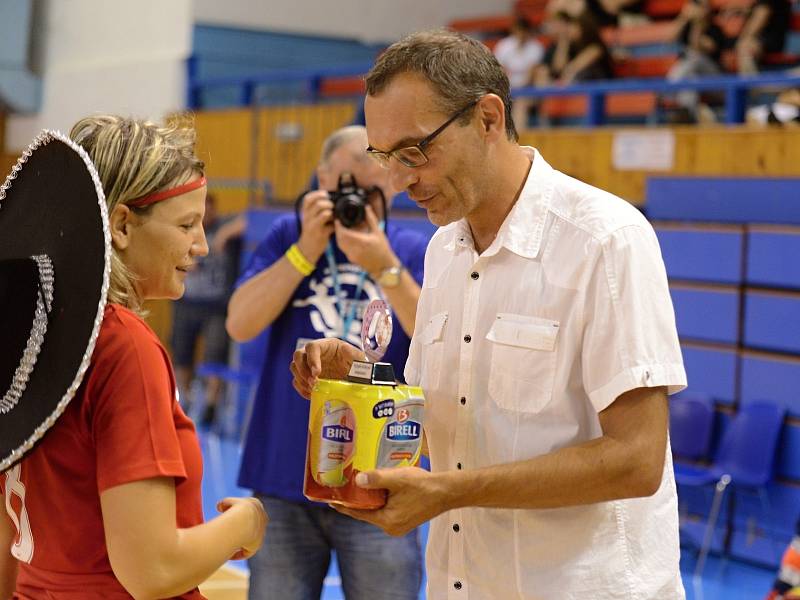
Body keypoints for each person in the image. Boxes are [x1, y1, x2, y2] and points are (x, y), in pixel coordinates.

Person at [291, 29, 687, 599]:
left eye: (414, 151)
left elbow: (636, 461)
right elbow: (443, 422)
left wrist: (452, 491)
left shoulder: (606, 239)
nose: (399, 181)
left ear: (488, 118)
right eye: (385, 158)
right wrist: (361, 380)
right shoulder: (443, 249)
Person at [0, 116, 267, 599]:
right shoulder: (124, 346)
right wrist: (247, 521)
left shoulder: (26, 332)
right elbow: (153, 571)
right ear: (122, 224)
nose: (202, 244)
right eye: (187, 224)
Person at [226, 125, 426, 599]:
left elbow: (431, 332)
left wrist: (383, 266)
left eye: (368, 189)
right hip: (284, 472)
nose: (354, 200)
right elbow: (239, 324)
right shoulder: (289, 236)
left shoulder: (413, 249)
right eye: (344, 187)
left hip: (380, 477)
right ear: (320, 179)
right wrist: (303, 253)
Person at [171, 192, 245, 426]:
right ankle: (185, 399)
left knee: (215, 353)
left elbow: (251, 218)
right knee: (182, 353)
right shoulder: (183, 230)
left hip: (215, 306)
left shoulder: (224, 226)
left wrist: (225, 234)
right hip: (187, 302)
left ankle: (211, 405)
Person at [665, 0, 728, 123]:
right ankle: (688, 116)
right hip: (694, 79)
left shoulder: (715, 29)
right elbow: (669, 39)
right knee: (690, 81)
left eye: (702, 6)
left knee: (694, 58)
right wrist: (683, 17)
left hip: (718, 83)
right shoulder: (687, 27)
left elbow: (697, 47)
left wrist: (698, 24)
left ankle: (670, 88)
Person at [534, 12, 614, 87]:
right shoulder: (570, 47)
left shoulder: (595, 47)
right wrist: (564, 42)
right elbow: (559, 68)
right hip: (579, 89)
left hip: (600, 87)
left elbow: (572, 68)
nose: (568, 30)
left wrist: (564, 78)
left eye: (572, 26)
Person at [492, 16, 545, 129]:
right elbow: (500, 70)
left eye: (523, 30)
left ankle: (519, 139)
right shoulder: (504, 45)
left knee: (521, 103)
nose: (520, 34)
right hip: (507, 89)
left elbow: (531, 75)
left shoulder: (536, 47)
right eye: (518, 30)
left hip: (527, 91)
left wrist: (517, 90)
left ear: (528, 31)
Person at [735, 0, 792, 74]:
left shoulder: (767, 4)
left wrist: (735, 44)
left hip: (767, 44)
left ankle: (751, 84)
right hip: (746, 43)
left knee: (745, 47)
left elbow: (761, 15)